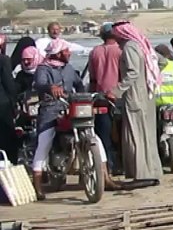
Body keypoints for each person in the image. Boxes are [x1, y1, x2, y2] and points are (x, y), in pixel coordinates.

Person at [29, 40, 114, 199]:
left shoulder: (68, 68)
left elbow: (79, 85)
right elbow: (39, 84)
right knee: (44, 143)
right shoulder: (43, 68)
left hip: (71, 106)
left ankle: (106, 177)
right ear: (59, 53)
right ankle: (38, 186)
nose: (69, 53)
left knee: (95, 138)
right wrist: (50, 87)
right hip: (51, 109)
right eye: (67, 51)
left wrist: (87, 97)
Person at [110, 22, 164, 184]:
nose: (115, 39)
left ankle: (142, 175)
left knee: (136, 136)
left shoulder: (130, 47)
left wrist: (116, 91)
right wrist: (150, 76)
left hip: (135, 96)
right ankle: (152, 172)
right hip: (147, 95)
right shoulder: (143, 45)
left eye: (116, 35)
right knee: (147, 136)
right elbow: (162, 62)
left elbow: (133, 73)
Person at [86, 23, 123, 175]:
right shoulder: (121, 51)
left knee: (104, 134)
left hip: (100, 98)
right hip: (120, 96)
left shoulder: (95, 51)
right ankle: (123, 164)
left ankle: (108, 167)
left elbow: (93, 78)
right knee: (122, 133)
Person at [0, 35, 18, 163]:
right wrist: (14, 103)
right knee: (7, 137)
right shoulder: (3, 60)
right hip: (2, 104)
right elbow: (9, 84)